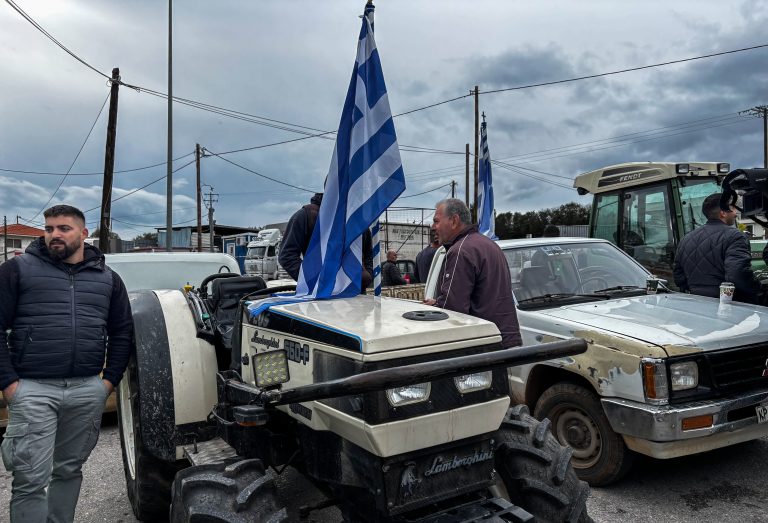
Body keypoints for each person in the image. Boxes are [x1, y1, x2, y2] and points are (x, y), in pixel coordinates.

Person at [0, 204, 133, 523]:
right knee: (30, 478)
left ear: (84, 234)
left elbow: (122, 331)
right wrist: (10, 385)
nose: (54, 235)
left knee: (69, 470)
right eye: (49, 229)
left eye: (63, 228)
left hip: (87, 389)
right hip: (32, 389)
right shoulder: (17, 271)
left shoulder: (109, 279)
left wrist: (108, 382)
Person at [424, 199, 521, 348]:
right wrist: (438, 303)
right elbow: (483, 296)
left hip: (481, 347)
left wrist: (437, 307)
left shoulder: (460, 251)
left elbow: (453, 310)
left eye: (436, 221)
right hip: (504, 339)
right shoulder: (490, 245)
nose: (433, 227)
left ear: (454, 220)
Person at [674, 193, 760, 303]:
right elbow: (738, 275)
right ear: (723, 213)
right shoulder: (735, 237)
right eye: (733, 208)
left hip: (696, 303)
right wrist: (758, 288)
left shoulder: (686, 239)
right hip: (728, 306)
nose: (735, 213)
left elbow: (678, 277)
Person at [279, 192, 373, 291]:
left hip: (356, 295)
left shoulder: (358, 220)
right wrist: (314, 281)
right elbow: (287, 255)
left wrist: (367, 275)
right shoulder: (307, 215)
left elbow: (369, 255)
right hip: (320, 298)